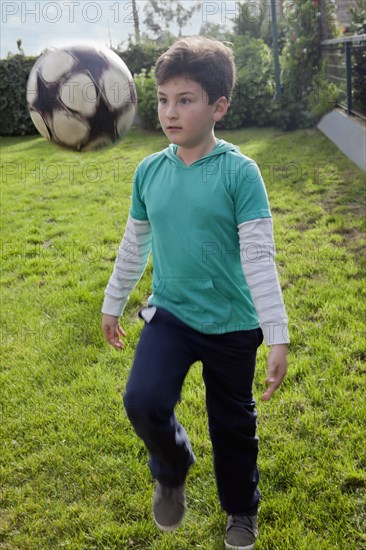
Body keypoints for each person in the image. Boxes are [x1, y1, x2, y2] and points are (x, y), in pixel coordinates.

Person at [101, 35, 289, 550]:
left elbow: (257, 258)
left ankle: (240, 511)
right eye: (163, 100)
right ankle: (173, 466)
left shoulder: (240, 174)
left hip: (232, 322)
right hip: (171, 314)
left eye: (185, 100)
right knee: (142, 400)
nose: (170, 112)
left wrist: (276, 333)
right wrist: (113, 301)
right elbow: (134, 244)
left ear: (218, 106)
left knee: (232, 425)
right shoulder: (149, 172)